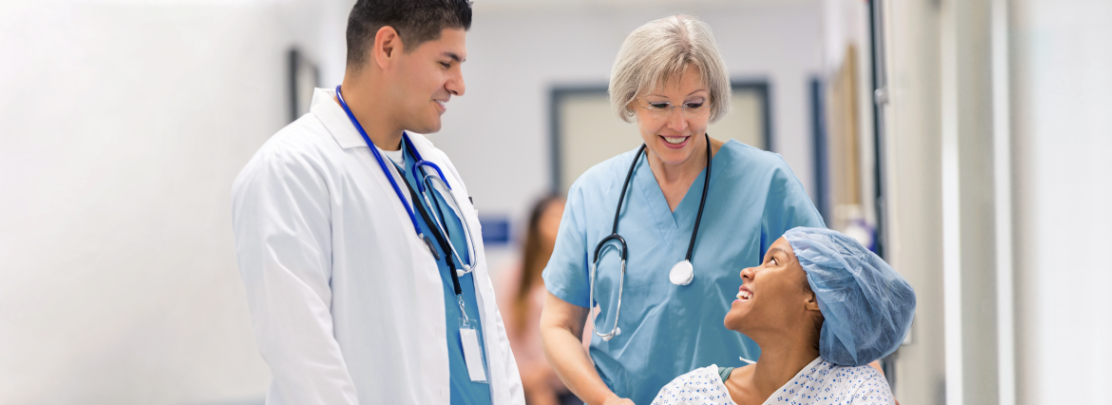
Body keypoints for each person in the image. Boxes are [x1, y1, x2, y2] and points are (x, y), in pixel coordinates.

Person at [230, 1, 523, 404]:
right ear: (387, 47)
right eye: (446, 63)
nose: (458, 84)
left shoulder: (436, 169)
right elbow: (304, 359)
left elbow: (487, 317)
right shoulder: (292, 170)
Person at [540, 15, 839, 405]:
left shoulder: (765, 182)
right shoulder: (593, 193)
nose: (678, 123)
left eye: (694, 104)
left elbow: (835, 295)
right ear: (631, 100)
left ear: (713, 100)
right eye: (660, 104)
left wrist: (869, 383)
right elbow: (558, 324)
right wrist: (604, 401)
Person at [650, 227, 916, 405]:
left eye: (773, 261)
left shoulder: (856, 393)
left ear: (815, 296)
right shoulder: (687, 394)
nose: (746, 272)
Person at [494, 195, 588, 405]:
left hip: (572, 383)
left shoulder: (583, 273)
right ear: (536, 225)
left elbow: (588, 337)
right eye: (554, 216)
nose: (562, 222)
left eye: (566, 216)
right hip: (521, 383)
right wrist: (532, 382)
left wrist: (543, 374)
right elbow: (504, 334)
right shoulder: (512, 276)